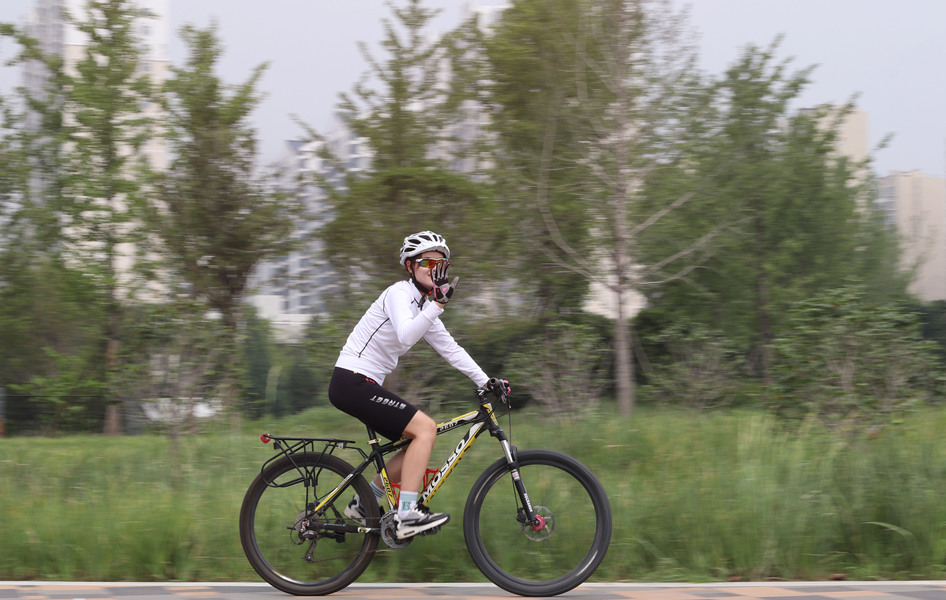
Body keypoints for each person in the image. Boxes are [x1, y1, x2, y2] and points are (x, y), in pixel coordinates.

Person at [328, 230, 500, 539]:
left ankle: (363, 503)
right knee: (426, 429)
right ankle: (407, 515)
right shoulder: (399, 293)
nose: (434, 268)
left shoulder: (424, 307)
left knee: (413, 443)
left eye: (440, 263)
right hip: (352, 380)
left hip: (363, 383)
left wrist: (487, 380)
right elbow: (406, 335)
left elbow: (451, 349)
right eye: (426, 262)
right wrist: (437, 305)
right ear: (409, 266)